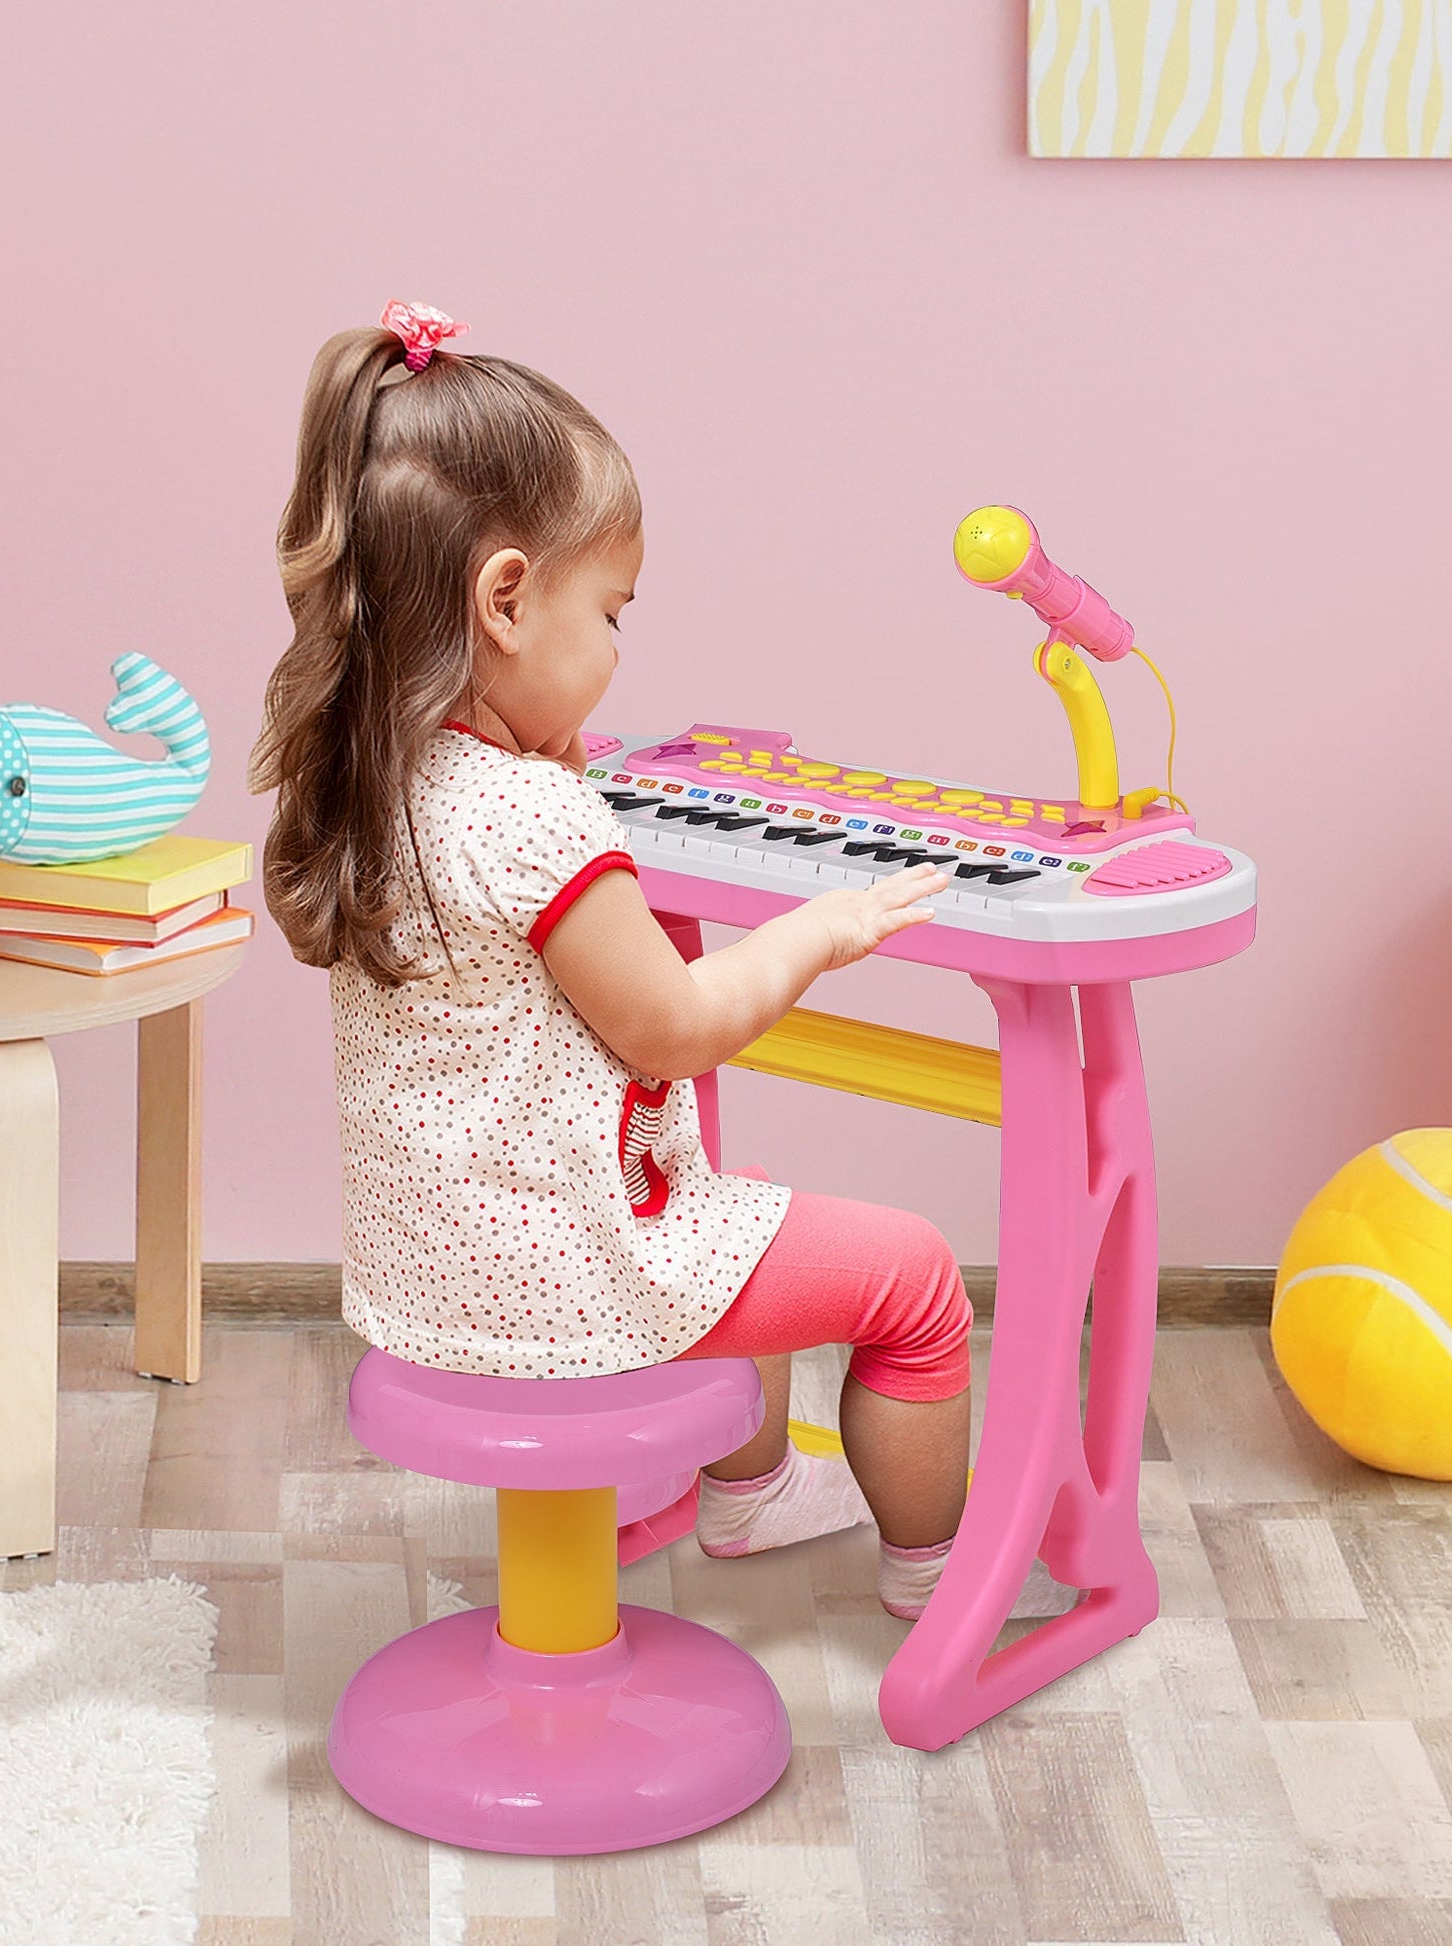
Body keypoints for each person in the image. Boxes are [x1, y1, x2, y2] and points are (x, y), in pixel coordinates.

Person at [250, 300, 1070, 1621]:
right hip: (567, 1276)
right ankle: (940, 1576)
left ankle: (746, 1492)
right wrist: (815, 931)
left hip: (428, 1265)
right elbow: (675, 1030)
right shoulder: (534, 816)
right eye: (613, 613)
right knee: (908, 1273)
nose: (621, 650)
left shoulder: (371, 773)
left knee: (721, 1195)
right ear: (505, 598)